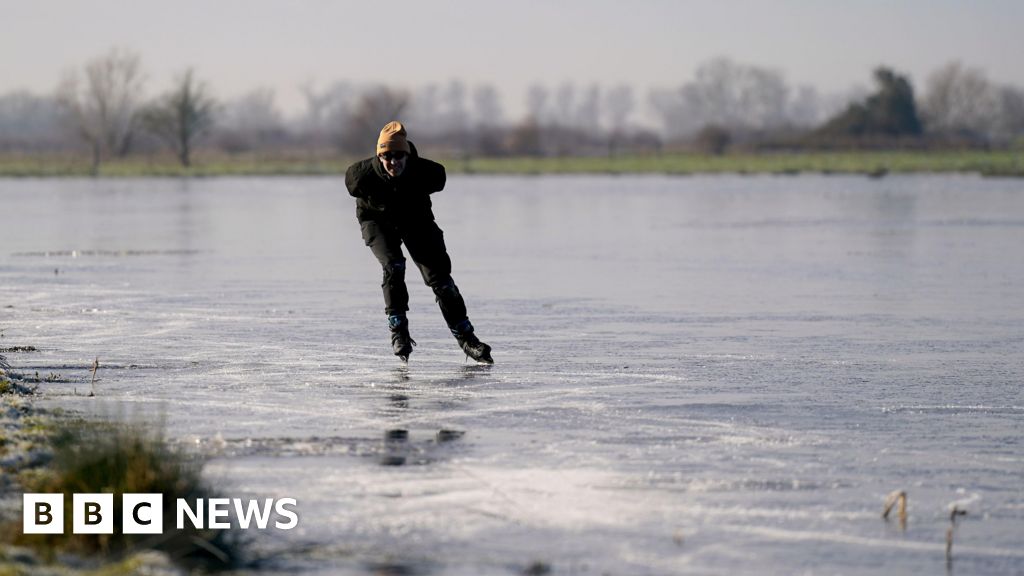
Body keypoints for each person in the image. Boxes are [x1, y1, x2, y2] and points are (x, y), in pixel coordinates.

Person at [345, 121, 493, 364]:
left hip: (416, 221)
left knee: (442, 282)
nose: (393, 162)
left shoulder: (426, 172)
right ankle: (399, 332)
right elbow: (353, 186)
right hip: (377, 221)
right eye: (387, 157)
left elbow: (440, 178)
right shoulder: (360, 176)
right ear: (379, 155)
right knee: (393, 266)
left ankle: (468, 340)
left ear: (408, 155)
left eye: (399, 156)